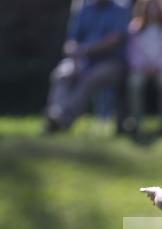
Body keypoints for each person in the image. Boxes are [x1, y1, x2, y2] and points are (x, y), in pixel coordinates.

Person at [45, 0, 130, 132]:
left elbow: (114, 40)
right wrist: (73, 51)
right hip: (82, 60)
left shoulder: (120, 10)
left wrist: (85, 50)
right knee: (62, 73)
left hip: (111, 63)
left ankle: (63, 120)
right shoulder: (84, 9)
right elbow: (71, 41)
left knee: (90, 78)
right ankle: (55, 113)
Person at [125, 0, 162, 133]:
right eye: (150, 7)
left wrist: (159, 66)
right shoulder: (135, 28)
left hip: (161, 69)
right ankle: (136, 121)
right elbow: (132, 53)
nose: (152, 11)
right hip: (141, 69)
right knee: (134, 83)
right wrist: (143, 66)